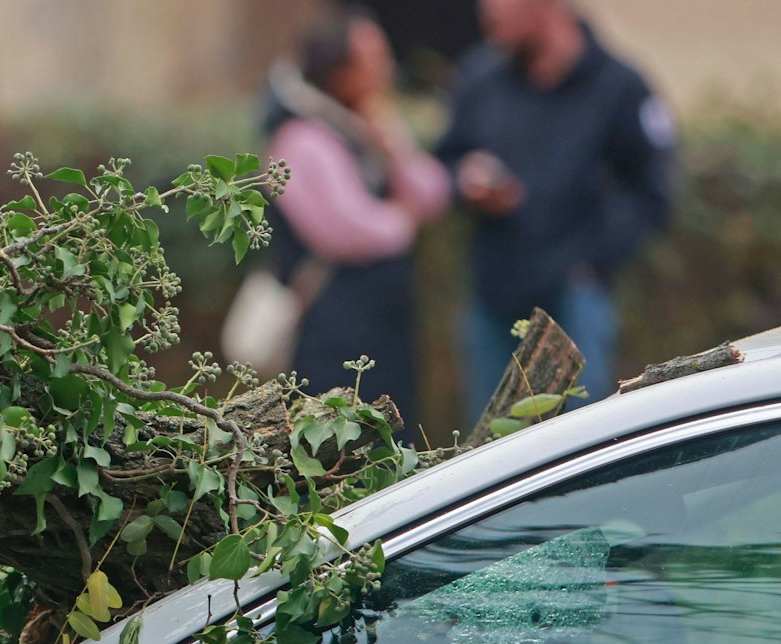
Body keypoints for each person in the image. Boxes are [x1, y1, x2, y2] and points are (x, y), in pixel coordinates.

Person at [436, 0, 675, 421]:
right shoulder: (480, 77)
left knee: (584, 437)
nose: (487, 11)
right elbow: (446, 161)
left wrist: (590, 264)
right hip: (493, 294)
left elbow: (652, 192)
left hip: (574, 301)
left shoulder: (618, 85)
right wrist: (466, 178)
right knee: (492, 443)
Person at [259, 8, 450, 407]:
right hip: (333, 329)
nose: (386, 70)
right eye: (372, 60)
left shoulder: (365, 125)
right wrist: (403, 221)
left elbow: (432, 193)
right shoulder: (300, 138)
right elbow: (343, 230)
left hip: (385, 324)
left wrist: (392, 143)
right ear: (338, 70)